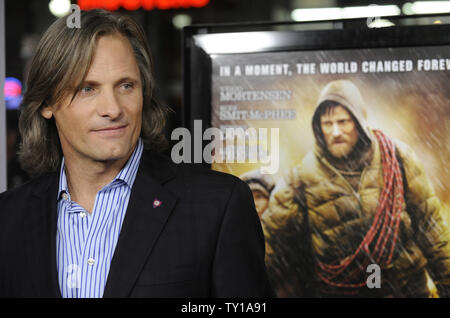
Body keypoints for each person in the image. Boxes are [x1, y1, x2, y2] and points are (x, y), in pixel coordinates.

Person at [0, 10, 272, 298]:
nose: (113, 109)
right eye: (87, 89)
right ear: (46, 103)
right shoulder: (9, 218)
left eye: (126, 86)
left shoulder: (217, 206)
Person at [262, 79, 450, 297]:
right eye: (327, 124)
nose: (335, 132)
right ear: (318, 127)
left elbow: (432, 231)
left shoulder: (399, 158)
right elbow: (269, 248)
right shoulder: (301, 179)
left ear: (359, 122)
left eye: (343, 122)